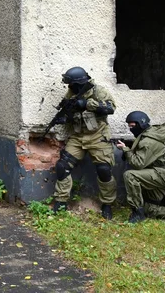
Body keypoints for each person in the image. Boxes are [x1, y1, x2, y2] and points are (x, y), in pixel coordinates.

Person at [52, 66, 117, 220]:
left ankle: (107, 204)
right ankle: (61, 201)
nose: (69, 87)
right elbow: (70, 111)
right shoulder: (71, 93)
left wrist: (87, 104)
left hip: (98, 136)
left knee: (104, 169)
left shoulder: (98, 91)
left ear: (79, 83)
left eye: (72, 84)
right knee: (63, 166)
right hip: (78, 136)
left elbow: (110, 108)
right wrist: (64, 118)